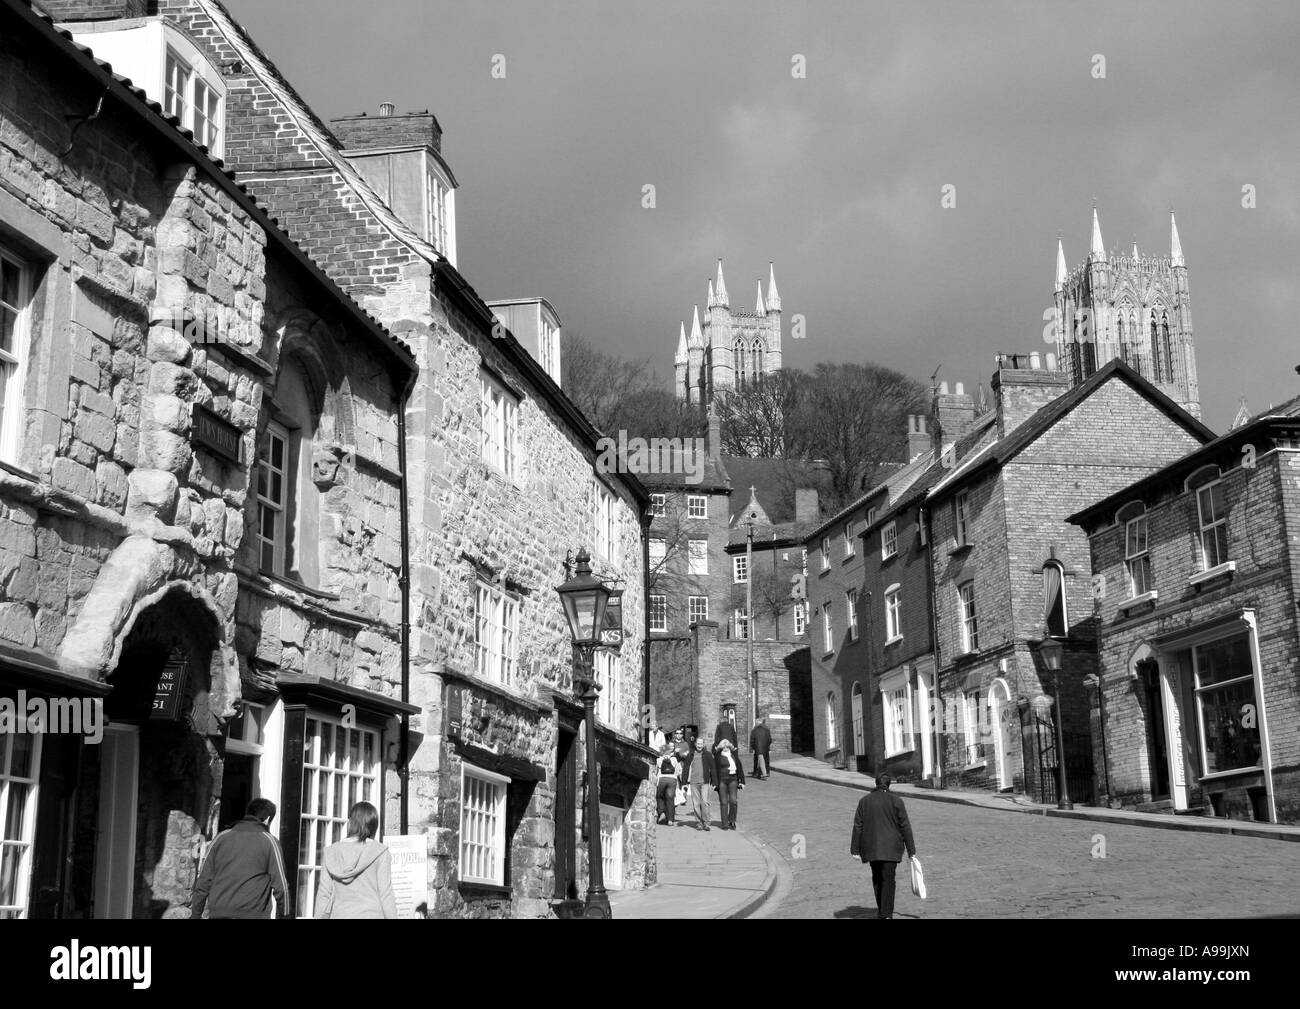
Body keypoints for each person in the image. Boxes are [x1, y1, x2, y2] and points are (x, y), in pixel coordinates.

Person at [191, 797, 289, 919]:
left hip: (219, 914)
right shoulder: (270, 842)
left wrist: (195, 914)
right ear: (268, 819)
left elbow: (203, 881)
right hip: (253, 914)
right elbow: (281, 887)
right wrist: (285, 915)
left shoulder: (220, 838)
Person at [849, 772, 917, 920]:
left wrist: (854, 849)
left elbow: (858, 826)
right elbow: (905, 826)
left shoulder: (864, 801)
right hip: (892, 848)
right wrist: (911, 850)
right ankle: (886, 914)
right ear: (889, 784)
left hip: (872, 847)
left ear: (876, 783)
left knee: (877, 878)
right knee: (888, 880)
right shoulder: (897, 801)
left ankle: (882, 910)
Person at [315, 800, 398, 919]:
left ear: (351, 823)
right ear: (373, 825)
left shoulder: (331, 852)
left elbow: (324, 894)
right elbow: (386, 895)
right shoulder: (380, 852)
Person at [682, 735, 716, 830]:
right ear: (695, 744)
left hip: (705, 782)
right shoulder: (691, 755)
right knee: (696, 804)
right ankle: (699, 822)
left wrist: (714, 782)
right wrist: (684, 782)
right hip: (693, 782)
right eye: (698, 743)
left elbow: (713, 768)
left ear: (703, 744)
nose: (699, 745)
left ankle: (706, 822)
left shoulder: (708, 754)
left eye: (701, 744)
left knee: (705, 802)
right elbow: (685, 769)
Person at [714, 738, 745, 829]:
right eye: (724, 746)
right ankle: (724, 823)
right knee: (724, 802)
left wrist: (742, 781)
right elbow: (714, 770)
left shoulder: (734, 756)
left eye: (727, 746)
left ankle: (732, 820)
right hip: (722, 781)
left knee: (733, 801)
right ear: (721, 747)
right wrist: (714, 782)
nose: (726, 748)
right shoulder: (718, 757)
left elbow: (740, 768)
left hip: (733, 780)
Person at [655, 745, 681, 826]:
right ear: (669, 751)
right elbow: (678, 772)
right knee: (670, 799)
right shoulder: (674, 759)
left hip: (661, 780)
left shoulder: (659, 759)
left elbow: (655, 772)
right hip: (672, 780)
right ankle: (670, 820)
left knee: (659, 796)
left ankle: (662, 812)